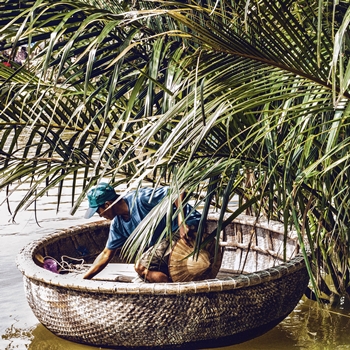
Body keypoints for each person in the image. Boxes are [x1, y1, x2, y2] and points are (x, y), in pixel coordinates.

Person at [83, 182, 201, 282]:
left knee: (141, 266)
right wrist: (85, 279)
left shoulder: (141, 198)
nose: (100, 216)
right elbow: (106, 254)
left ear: (107, 205)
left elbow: (177, 191)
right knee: (146, 269)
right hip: (167, 243)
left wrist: (181, 222)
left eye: (99, 212)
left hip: (190, 226)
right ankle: (171, 285)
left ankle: (174, 292)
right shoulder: (118, 225)